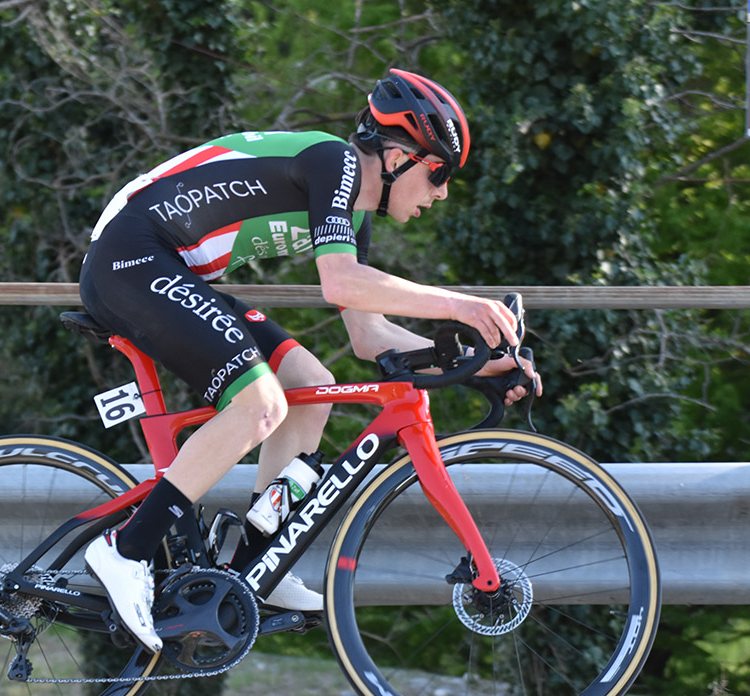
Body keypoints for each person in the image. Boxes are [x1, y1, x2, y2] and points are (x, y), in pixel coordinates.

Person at [79, 68, 541, 653]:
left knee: (310, 385)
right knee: (259, 403)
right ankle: (127, 548)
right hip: (133, 259)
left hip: (169, 270)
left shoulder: (354, 215)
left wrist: (484, 366)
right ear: (398, 155)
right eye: (439, 172)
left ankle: (250, 566)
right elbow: (341, 283)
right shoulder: (336, 163)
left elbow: (369, 336)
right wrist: (462, 306)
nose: (443, 191)